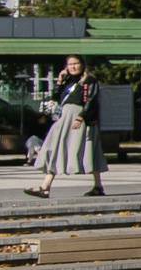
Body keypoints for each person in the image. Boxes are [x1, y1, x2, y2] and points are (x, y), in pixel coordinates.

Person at [26, 55, 107, 200]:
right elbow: (55, 98)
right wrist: (59, 81)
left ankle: (97, 186)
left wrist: (81, 116)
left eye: (76, 63)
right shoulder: (68, 81)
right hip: (65, 118)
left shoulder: (89, 80)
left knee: (89, 150)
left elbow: (92, 100)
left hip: (79, 117)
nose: (73, 67)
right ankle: (45, 186)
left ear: (82, 64)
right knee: (55, 148)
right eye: (70, 64)